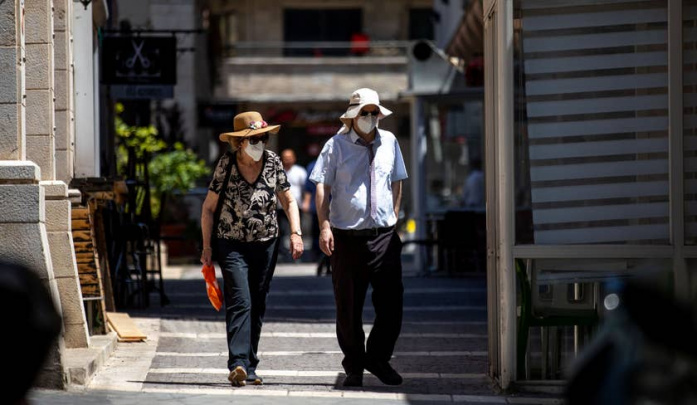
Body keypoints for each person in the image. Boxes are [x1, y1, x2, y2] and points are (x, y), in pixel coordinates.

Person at [310, 88, 408, 387]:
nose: (369, 117)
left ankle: (378, 358)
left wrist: (393, 216)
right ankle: (354, 366)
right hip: (347, 238)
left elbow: (397, 180)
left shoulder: (389, 141)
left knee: (392, 304)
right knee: (348, 308)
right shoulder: (335, 145)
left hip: (383, 237)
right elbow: (322, 187)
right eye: (364, 112)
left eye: (373, 112)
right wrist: (324, 226)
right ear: (352, 116)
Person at [200, 111, 303, 387]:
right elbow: (208, 209)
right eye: (254, 139)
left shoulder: (273, 162)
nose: (260, 144)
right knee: (240, 300)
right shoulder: (227, 164)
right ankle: (237, 362)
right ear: (239, 142)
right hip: (231, 243)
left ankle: (250, 366)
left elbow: (288, 201)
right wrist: (207, 247)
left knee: (257, 302)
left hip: (266, 243)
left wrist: (296, 233)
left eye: (263, 138)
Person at [277, 149, 307, 262]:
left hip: (297, 206)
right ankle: (282, 253)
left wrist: (306, 202)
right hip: (280, 207)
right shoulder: (278, 171)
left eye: (289, 158)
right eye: (285, 158)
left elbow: (306, 189)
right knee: (281, 230)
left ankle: (298, 252)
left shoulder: (300, 171)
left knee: (297, 230)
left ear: (294, 158)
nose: (287, 160)